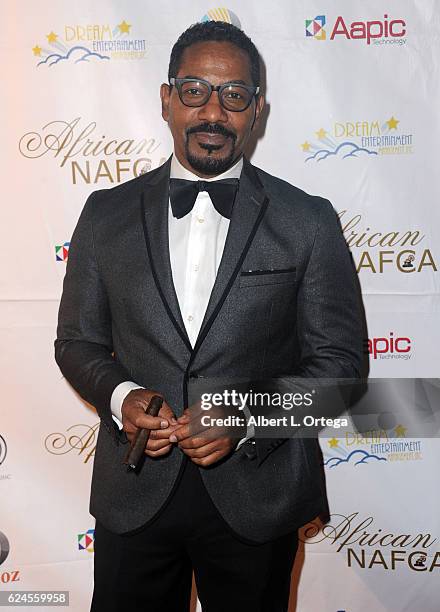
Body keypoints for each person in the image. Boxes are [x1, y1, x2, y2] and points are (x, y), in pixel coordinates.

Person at [55, 20, 363, 612]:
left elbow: (342, 369)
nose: (213, 111)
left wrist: (245, 414)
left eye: (234, 95)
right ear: (167, 99)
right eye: (194, 90)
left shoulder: (308, 220)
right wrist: (123, 397)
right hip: (135, 484)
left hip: (259, 492)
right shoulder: (104, 213)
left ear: (257, 110)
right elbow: (76, 342)